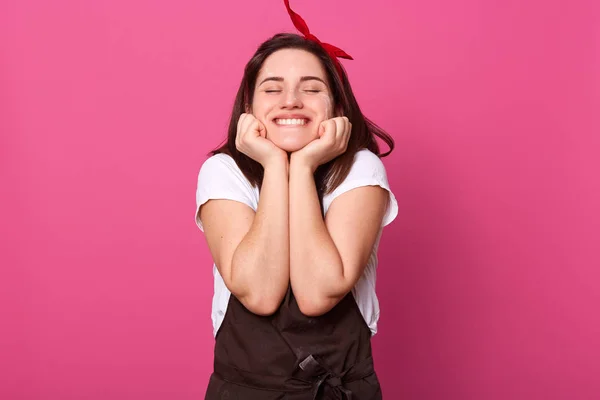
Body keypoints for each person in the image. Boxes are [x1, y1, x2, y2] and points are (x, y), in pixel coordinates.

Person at [194, 1, 398, 398]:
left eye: (311, 88)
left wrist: (303, 167)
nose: (291, 100)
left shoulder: (360, 170)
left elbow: (319, 291)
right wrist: (274, 164)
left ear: (336, 107)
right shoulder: (223, 172)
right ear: (249, 108)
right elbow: (259, 291)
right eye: (272, 89)